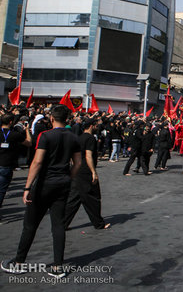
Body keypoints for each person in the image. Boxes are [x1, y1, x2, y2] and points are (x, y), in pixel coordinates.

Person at [1, 105, 81, 279]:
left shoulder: (46, 136)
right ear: (67, 118)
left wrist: (27, 187)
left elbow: (36, 163)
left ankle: (19, 262)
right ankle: (58, 267)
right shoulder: (73, 137)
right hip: (63, 183)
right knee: (58, 225)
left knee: (30, 224)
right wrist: (68, 177)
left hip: (45, 183)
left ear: (52, 118)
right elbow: (78, 163)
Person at [63, 118, 110, 230]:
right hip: (85, 171)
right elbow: (89, 156)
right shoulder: (90, 138)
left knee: (74, 199)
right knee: (92, 198)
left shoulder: (78, 138)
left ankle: (63, 223)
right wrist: (93, 172)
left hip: (77, 169)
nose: (97, 127)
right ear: (91, 126)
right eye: (96, 125)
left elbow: (72, 155)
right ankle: (99, 223)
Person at [0, 114, 32, 219]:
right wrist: (27, 130)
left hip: (6, 165)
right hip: (7, 165)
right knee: (2, 190)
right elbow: (28, 143)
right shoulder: (15, 134)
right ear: (10, 122)